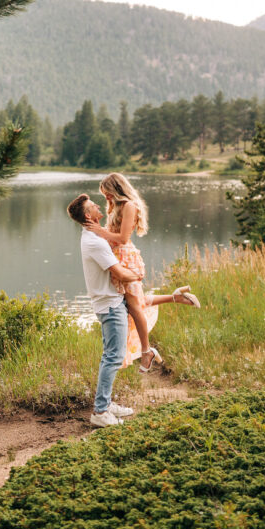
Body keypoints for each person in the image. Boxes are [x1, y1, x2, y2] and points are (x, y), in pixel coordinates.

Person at [86, 173, 201, 371]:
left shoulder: (130, 206)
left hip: (127, 259)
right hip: (116, 260)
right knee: (132, 304)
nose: (106, 199)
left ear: (116, 189)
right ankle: (176, 297)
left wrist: (99, 231)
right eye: (104, 196)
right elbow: (110, 238)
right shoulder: (115, 206)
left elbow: (122, 238)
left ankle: (147, 351)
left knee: (134, 306)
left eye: (107, 194)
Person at [67, 193, 141, 427]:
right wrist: (138, 275)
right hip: (109, 304)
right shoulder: (94, 242)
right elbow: (119, 273)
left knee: (111, 355)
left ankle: (106, 404)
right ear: (88, 215)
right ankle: (100, 412)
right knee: (113, 356)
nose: (99, 206)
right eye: (93, 206)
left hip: (110, 301)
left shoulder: (93, 237)